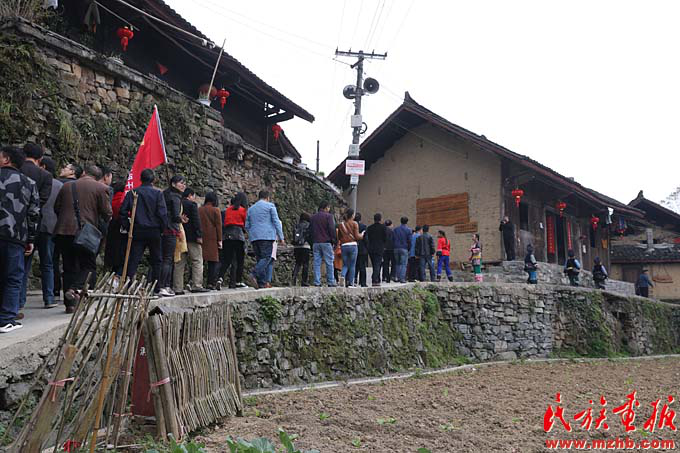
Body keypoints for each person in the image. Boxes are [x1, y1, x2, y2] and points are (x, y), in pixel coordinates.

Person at [53, 165, 111, 312]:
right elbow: (107, 213)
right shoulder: (101, 188)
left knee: (68, 267)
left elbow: (57, 207)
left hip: (64, 231)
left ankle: (70, 305)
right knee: (88, 266)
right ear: (99, 177)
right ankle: (74, 289)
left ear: (84, 173)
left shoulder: (67, 186)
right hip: (85, 233)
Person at [0, 147, 40, 333]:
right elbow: (33, 214)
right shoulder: (29, 183)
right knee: (13, 278)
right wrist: (30, 239)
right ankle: (6, 319)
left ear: (6, 159)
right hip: (15, 236)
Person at [120, 169, 167, 290]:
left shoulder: (133, 193)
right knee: (156, 260)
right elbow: (162, 214)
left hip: (137, 229)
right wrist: (162, 229)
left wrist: (128, 226)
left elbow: (123, 211)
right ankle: (157, 287)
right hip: (154, 230)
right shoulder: (158, 194)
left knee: (133, 259)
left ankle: (128, 285)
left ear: (140, 179)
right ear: (153, 180)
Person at [36, 157, 63, 308]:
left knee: (24, 264)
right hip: (51, 226)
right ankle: (49, 298)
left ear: (43, 166)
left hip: (34, 225)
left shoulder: (34, 180)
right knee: (48, 263)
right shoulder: (59, 185)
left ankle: (19, 300)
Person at [245, 190, 285, 289]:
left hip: (254, 237)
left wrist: (251, 234)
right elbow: (276, 221)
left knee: (260, 259)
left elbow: (247, 225)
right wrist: (281, 237)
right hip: (267, 236)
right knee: (266, 258)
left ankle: (261, 283)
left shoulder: (251, 209)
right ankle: (253, 274)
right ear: (267, 197)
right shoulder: (270, 206)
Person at [158, 175, 186, 297]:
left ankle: (161, 285)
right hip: (171, 230)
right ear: (173, 184)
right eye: (181, 183)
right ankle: (163, 286)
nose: (183, 185)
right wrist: (181, 219)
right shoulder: (175, 197)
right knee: (168, 259)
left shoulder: (164, 194)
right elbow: (175, 215)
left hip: (162, 229)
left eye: (184, 183)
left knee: (162, 258)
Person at [173, 188, 205, 294]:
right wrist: (199, 234)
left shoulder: (178, 203)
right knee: (197, 260)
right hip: (192, 238)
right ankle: (197, 285)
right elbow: (196, 220)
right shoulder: (192, 205)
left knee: (179, 262)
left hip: (180, 236)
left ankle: (178, 287)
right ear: (190, 195)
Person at [220, 192, 248, 289]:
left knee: (227, 259)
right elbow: (245, 223)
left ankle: (220, 278)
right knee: (239, 260)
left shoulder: (228, 209)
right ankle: (237, 281)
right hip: (238, 235)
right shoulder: (242, 210)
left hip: (227, 236)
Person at [310, 201, 337, 287]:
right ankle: (330, 281)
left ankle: (317, 281)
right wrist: (334, 240)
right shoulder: (329, 216)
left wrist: (312, 241)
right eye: (328, 207)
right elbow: (332, 229)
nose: (329, 209)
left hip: (316, 242)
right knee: (329, 262)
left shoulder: (313, 217)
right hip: (326, 242)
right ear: (326, 207)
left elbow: (310, 230)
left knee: (317, 262)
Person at [199, 191, 223, 290]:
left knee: (200, 261)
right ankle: (210, 283)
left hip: (201, 237)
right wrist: (220, 240)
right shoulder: (216, 210)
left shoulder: (199, 209)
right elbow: (218, 226)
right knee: (213, 262)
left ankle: (194, 281)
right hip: (212, 238)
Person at [104, 180, 126, 277]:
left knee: (113, 255)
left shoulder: (111, 199)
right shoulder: (123, 199)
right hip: (122, 230)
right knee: (121, 257)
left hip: (112, 228)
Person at [337, 208, 362, 287]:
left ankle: (342, 276)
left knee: (345, 264)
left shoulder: (341, 225)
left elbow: (339, 237)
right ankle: (351, 282)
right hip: (353, 245)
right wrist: (362, 235)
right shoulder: (355, 223)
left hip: (344, 246)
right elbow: (357, 236)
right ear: (352, 215)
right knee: (352, 265)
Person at [366, 213, 388, 287]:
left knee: (374, 264)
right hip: (379, 248)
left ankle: (377, 278)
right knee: (377, 264)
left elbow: (368, 238)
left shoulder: (370, 228)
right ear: (380, 219)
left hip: (371, 248)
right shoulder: (383, 227)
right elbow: (385, 238)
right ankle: (375, 279)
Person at [291, 212, 312, 286]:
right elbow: (310, 236)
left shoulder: (297, 225)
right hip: (305, 246)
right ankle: (304, 281)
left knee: (298, 263)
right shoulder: (308, 225)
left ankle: (294, 278)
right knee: (305, 264)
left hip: (296, 246)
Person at [392, 216, 412, 283]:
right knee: (403, 264)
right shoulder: (408, 230)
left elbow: (393, 239)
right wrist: (409, 248)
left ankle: (397, 277)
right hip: (404, 248)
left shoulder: (395, 229)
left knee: (397, 263)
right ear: (407, 222)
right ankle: (402, 278)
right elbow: (410, 240)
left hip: (396, 248)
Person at [354, 212, 369, 287]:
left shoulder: (352, 225)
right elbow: (366, 239)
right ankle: (362, 282)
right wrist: (367, 247)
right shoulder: (363, 226)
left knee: (354, 266)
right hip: (362, 249)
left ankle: (354, 280)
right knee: (362, 266)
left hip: (354, 247)